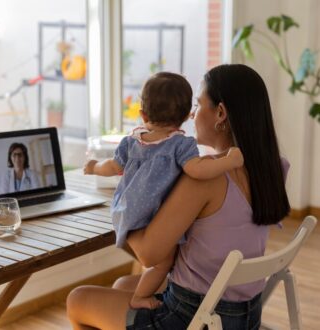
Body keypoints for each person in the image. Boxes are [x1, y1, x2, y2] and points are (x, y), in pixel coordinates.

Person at [67, 64, 290, 330]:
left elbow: (149, 255)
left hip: (194, 316)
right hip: (243, 315)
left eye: (198, 104)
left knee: (77, 299)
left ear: (220, 113)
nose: (192, 114)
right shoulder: (274, 166)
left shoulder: (206, 179)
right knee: (123, 285)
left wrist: (124, 207)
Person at [83, 72, 244, 310]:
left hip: (125, 212)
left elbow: (113, 167)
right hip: (153, 214)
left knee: (134, 275)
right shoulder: (181, 144)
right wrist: (229, 161)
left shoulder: (132, 141)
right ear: (185, 117)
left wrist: (94, 166)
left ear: (143, 115)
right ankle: (140, 296)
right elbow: (198, 170)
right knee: (162, 263)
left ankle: (142, 295)